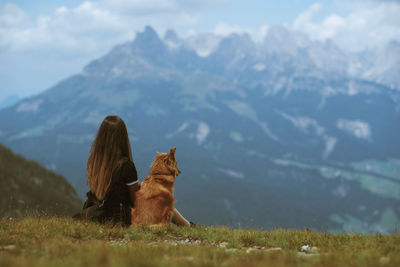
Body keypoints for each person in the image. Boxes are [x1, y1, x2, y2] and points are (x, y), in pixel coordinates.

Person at [82, 115, 190, 227]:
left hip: (100, 215)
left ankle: (188, 226)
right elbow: (136, 200)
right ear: (123, 138)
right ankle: (188, 226)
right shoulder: (126, 165)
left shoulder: (95, 161)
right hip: (122, 219)